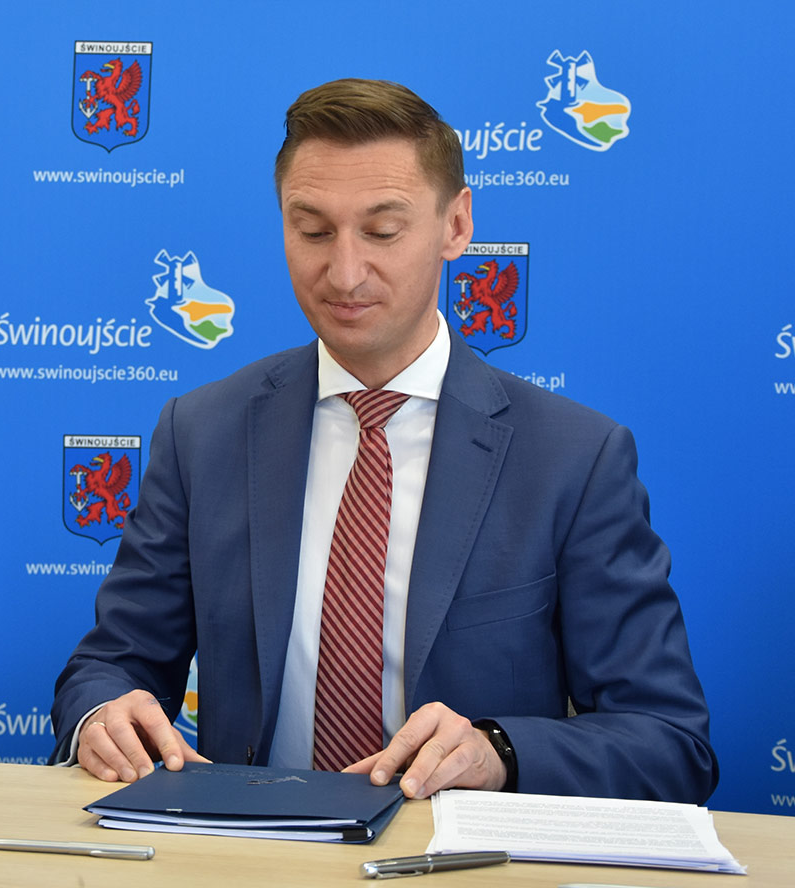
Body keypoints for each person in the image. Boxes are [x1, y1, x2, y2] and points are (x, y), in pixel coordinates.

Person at [50, 79, 717, 803]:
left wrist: (499, 752)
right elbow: (111, 664)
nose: (343, 273)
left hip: (461, 859)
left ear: (456, 225)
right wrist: (102, 715)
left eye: (382, 231)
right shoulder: (202, 432)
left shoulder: (573, 458)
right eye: (312, 231)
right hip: (250, 848)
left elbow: (668, 741)